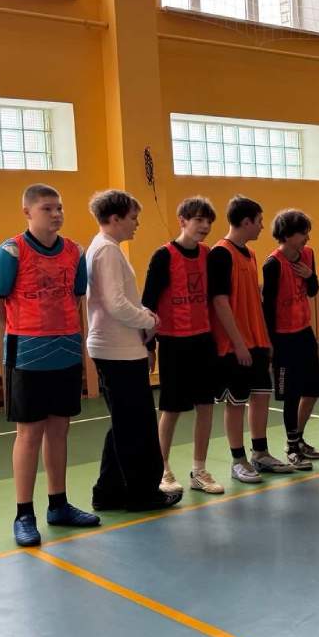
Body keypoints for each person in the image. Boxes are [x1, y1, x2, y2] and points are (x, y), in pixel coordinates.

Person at [0, 183, 100, 546]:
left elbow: (75, 297)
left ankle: (58, 505)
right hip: (28, 357)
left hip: (66, 353)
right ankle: (23, 514)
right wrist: (26, 331)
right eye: (47, 208)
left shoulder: (75, 252)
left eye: (59, 207)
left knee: (59, 430)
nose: (56, 214)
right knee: (29, 433)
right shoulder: (10, 252)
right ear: (28, 212)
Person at [85, 189, 180, 512]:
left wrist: (142, 315)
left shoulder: (104, 248)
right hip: (118, 350)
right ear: (115, 219)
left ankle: (108, 491)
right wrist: (148, 319)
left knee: (124, 423)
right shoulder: (107, 251)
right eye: (133, 217)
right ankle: (143, 493)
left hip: (117, 347)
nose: (137, 223)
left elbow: (118, 299)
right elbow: (116, 304)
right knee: (137, 425)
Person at [141, 196, 223, 496]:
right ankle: (161, 469)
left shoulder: (207, 254)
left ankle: (199, 470)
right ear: (183, 221)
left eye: (208, 221)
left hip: (203, 340)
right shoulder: (163, 256)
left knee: (206, 406)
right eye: (198, 219)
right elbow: (148, 304)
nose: (204, 226)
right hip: (174, 342)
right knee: (172, 408)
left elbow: (214, 300)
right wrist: (148, 347)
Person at [209, 195, 292, 483]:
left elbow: (253, 300)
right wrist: (238, 342)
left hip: (257, 341)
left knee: (260, 395)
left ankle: (260, 453)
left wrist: (264, 338)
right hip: (234, 344)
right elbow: (219, 302)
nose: (262, 226)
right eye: (259, 221)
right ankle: (238, 459)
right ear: (246, 222)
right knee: (236, 401)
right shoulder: (220, 254)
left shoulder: (251, 254)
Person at [262, 209, 319, 470]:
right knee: (291, 394)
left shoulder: (308, 254)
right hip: (283, 338)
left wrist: (310, 276)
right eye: (303, 233)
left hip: (304, 332)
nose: (307, 238)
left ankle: (297, 439)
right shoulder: (273, 264)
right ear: (287, 235)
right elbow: (267, 307)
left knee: (312, 389)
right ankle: (291, 446)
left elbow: (313, 291)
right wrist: (269, 343)